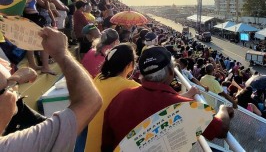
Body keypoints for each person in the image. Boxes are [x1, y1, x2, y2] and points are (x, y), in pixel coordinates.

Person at [102, 46, 234, 151]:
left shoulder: (119, 99)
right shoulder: (184, 107)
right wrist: (223, 109)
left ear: (141, 74)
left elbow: (106, 145)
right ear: (171, 72)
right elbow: (221, 129)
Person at [0, 27, 102, 151]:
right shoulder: (14, 146)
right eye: (9, 90)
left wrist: (12, 82)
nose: (16, 94)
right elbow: (90, 101)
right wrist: (61, 52)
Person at [85, 43, 140, 152]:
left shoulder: (99, 78)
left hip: (90, 147)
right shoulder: (129, 86)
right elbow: (151, 95)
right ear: (130, 65)